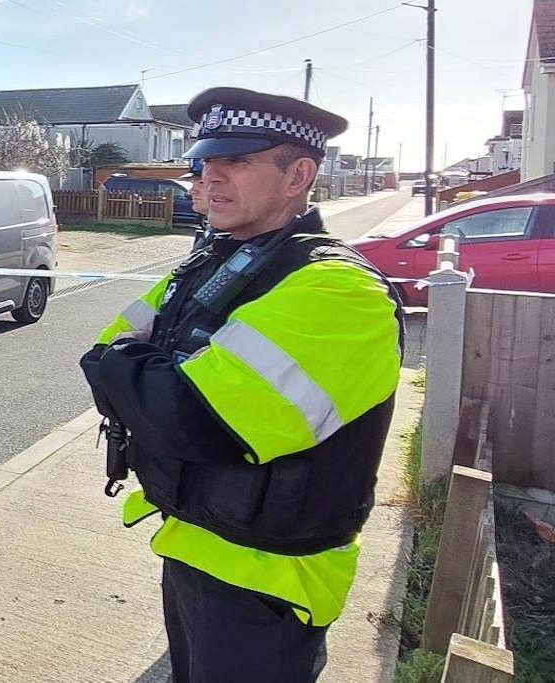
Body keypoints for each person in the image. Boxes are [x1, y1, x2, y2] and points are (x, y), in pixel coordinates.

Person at [80, 87, 403, 682]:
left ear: (298, 175)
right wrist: (139, 373)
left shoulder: (337, 292)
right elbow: (99, 354)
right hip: (192, 540)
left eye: (239, 161)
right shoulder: (214, 263)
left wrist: (139, 372)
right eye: (207, 162)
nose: (211, 178)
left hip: (268, 577)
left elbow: (192, 418)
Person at [179, 157, 217, 250]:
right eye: (192, 184)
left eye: (201, 182)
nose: (190, 192)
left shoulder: (234, 236)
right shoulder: (214, 230)